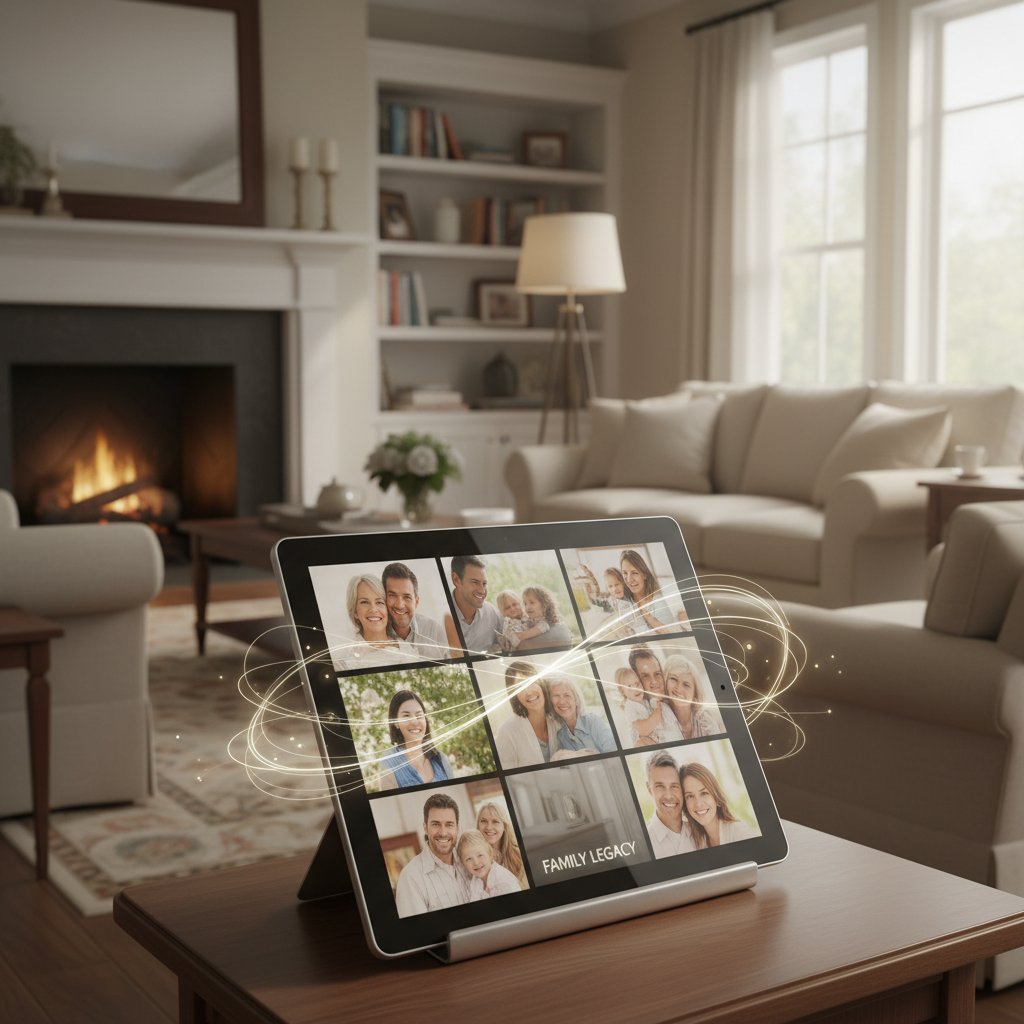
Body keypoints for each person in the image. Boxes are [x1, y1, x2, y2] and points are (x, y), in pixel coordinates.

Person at [394, 792, 468, 917]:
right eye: (436, 824)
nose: (443, 833)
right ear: (425, 827)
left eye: (449, 824)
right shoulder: (410, 877)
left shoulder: (471, 861)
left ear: (457, 827)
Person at [378, 689, 453, 790]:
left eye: (419, 715)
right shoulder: (389, 762)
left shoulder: (441, 759)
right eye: (406, 716)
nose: (414, 721)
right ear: (395, 723)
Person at [494, 660, 564, 768]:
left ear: (540, 684)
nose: (529, 691)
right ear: (515, 696)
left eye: (531, 682)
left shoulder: (559, 721)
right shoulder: (506, 732)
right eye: (520, 687)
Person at [680, 762, 759, 849]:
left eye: (704, 793)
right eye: (690, 796)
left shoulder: (739, 832)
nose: (698, 804)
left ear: (716, 797)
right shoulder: (694, 843)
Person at [382, 562, 448, 661]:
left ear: (416, 602)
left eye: (407, 597)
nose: (400, 605)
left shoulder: (434, 631)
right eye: (392, 595)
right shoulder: (374, 632)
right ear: (384, 598)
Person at [340, 574, 402, 669]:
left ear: (387, 609)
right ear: (355, 612)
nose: (373, 609)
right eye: (364, 602)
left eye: (379, 602)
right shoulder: (345, 663)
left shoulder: (408, 650)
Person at [444, 555, 502, 655]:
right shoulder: (443, 617)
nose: (482, 591)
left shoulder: (493, 614)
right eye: (475, 582)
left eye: (484, 584)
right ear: (456, 579)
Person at [644, 750, 696, 858]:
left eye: (674, 786)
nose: (668, 796)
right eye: (660, 786)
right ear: (649, 789)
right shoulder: (644, 842)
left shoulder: (699, 829)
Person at [547, 674, 616, 754]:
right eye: (556, 696)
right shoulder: (561, 736)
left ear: (576, 700)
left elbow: (614, 752)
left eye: (567, 695)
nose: (562, 701)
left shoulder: (593, 722)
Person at [628, 646, 684, 743]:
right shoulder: (637, 713)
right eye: (645, 676)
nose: (654, 681)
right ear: (637, 680)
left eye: (657, 673)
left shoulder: (675, 702)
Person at [663, 654, 724, 740]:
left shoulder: (705, 720)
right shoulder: (660, 715)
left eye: (686, 685)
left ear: (695, 693)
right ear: (665, 681)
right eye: (674, 679)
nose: (679, 689)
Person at [456, 829, 522, 899]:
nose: (476, 862)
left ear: (490, 854)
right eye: (469, 859)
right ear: (463, 864)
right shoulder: (475, 882)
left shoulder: (502, 880)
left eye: (480, 855)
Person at [620, 549, 674, 634]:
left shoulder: (658, 601)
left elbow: (669, 632)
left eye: (635, 573)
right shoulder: (624, 601)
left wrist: (644, 614)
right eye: (625, 573)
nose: (629, 580)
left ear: (644, 575)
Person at [476, 801, 527, 888]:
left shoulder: (519, 854)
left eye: (495, 821)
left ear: (504, 826)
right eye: (484, 821)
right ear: (478, 826)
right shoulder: (474, 858)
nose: (489, 827)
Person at [614, 665, 666, 747]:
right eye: (630, 686)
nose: (636, 688)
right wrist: (658, 710)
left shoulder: (646, 701)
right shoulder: (629, 707)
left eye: (637, 683)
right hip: (643, 741)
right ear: (622, 691)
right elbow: (643, 729)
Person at [514, 585, 573, 651]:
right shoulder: (528, 620)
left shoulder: (544, 624)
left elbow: (522, 636)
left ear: (544, 604)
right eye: (525, 604)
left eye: (532, 603)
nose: (527, 607)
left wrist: (518, 636)